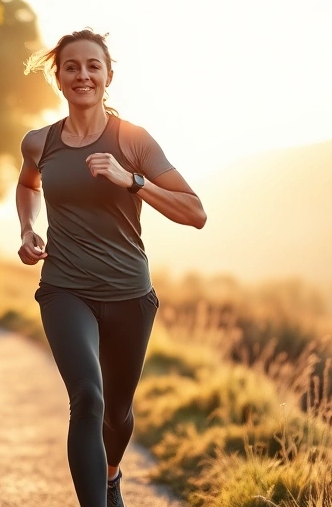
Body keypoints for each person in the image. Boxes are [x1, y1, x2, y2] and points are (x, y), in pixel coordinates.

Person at [17, 29, 207, 507]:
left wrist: (132, 180)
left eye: (92, 66)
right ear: (57, 78)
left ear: (108, 76)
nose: (83, 74)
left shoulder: (134, 141)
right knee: (88, 398)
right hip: (65, 288)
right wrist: (26, 228)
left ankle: (110, 477)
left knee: (117, 413)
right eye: (72, 67)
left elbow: (195, 213)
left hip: (129, 293)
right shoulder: (39, 142)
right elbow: (28, 186)